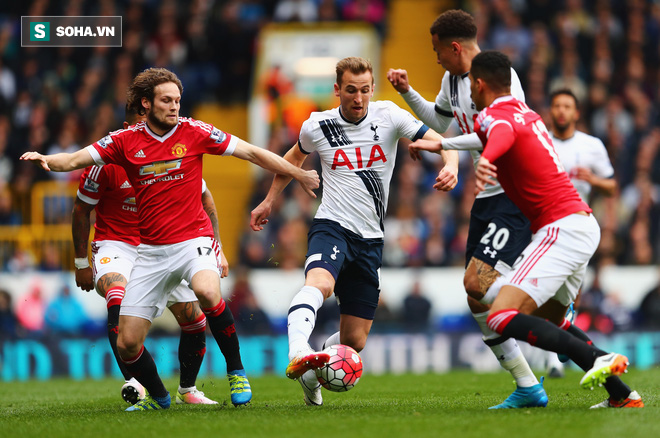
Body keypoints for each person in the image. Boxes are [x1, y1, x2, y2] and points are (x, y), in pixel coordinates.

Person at [21, 67, 320, 411]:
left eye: (178, 100)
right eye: (166, 100)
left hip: (191, 240)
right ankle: (160, 398)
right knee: (127, 344)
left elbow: (251, 152)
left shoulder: (195, 132)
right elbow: (73, 159)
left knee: (208, 292)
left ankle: (236, 371)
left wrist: (298, 172)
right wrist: (46, 159)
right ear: (146, 104)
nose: (175, 106)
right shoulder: (122, 143)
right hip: (148, 251)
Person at [414, 50, 642, 409]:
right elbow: (489, 135)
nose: (469, 95)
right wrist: (443, 143)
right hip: (582, 224)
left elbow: (497, 137)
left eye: (471, 87)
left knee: (502, 315)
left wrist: (487, 162)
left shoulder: (495, 117)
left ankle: (598, 356)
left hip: (560, 230)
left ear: (478, 83)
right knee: (550, 320)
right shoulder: (526, 112)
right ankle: (623, 395)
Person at [250, 56, 459, 406]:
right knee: (320, 283)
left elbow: (438, 139)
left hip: (371, 240)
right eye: (350, 90)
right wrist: (270, 200)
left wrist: (451, 164)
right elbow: (292, 160)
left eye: (364, 90)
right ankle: (299, 350)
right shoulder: (317, 125)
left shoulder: (389, 115)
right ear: (337, 90)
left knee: (355, 341)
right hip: (332, 225)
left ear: (372, 89)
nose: (358, 98)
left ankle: (313, 367)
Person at [386, 10, 545, 409]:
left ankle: (551, 297)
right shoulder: (450, 79)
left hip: (514, 192)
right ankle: (527, 384)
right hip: (487, 197)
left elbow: (503, 133)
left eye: (437, 49)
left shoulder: (500, 78)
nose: (435, 57)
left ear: (454, 46)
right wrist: (407, 92)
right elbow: (442, 122)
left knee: (477, 284)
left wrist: (443, 147)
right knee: (476, 296)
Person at [71, 107, 224, 405]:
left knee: (194, 320)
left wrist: (218, 247)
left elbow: (204, 197)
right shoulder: (104, 164)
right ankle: (137, 383)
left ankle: (188, 390)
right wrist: (80, 263)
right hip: (117, 243)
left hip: (164, 243)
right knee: (117, 294)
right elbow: (80, 210)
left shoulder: (171, 156)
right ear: (127, 128)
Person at [545, 88, 618, 377]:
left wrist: (594, 179)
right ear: (551, 111)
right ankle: (553, 360)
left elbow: (612, 186)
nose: (561, 111)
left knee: (567, 296)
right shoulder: (541, 142)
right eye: (557, 106)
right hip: (545, 224)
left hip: (578, 226)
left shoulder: (591, 146)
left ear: (576, 113)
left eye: (567, 106)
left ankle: (567, 339)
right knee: (547, 292)